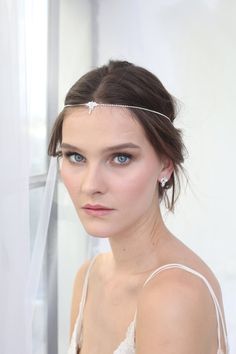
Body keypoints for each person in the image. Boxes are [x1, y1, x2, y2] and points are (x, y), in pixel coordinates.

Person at [48, 60, 228, 354]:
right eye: (75, 157)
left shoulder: (174, 296)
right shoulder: (88, 278)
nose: (90, 185)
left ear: (165, 165)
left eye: (120, 158)